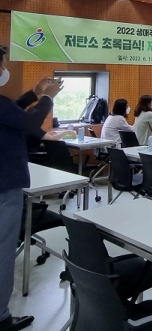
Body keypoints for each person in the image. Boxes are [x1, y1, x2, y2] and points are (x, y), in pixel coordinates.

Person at [1, 45, 62, 331]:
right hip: (5, 184)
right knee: (3, 250)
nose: (4, 69)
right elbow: (26, 122)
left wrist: (35, 93)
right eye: (2, 64)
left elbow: (10, 112)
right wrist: (48, 98)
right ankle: (1, 314)